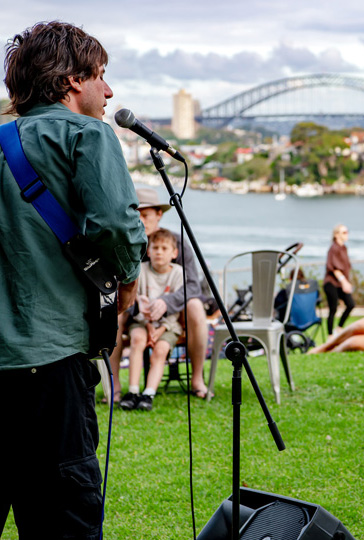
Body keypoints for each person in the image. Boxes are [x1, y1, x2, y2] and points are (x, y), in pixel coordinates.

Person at [0, 22, 146, 540]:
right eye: (100, 76)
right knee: (63, 521)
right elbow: (115, 226)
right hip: (50, 366)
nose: (108, 91)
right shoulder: (88, 134)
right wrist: (128, 278)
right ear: (68, 81)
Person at [109, 188, 211, 399]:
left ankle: (197, 378)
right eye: (135, 215)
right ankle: (115, 385)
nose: (140, 220)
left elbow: (193, 285)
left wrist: (166, 302)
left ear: (159, 215)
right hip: (135, 313)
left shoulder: (176, 243)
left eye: (145, 215)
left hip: (173, 315)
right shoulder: (124, 244)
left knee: (195, 306)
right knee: (114, 312)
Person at [120, 229, 184, 411]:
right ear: (148, 251)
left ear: (174, 253)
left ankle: (148, 394)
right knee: (137, 339)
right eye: (155, 248)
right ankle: (132, 391)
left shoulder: (178, 273)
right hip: (142, 322)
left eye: (164, 248)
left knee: (161, 349)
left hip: (168, 326)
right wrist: (148, 325)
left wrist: (161, 329)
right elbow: (136, 302)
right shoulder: (142, 270)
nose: (159, 252)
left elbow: (177, 308)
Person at [323, 224, 355, 336]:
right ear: (337, 234)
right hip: (331, 283)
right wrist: (344, 282)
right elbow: (334, 268)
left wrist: (346, 282)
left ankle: (339, 328)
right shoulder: (334, 248)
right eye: (344, 232)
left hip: (341, 283)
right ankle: (330, 335)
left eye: (347, 232)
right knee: (333, 309)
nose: (347, 234)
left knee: (350, 304)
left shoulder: (344, 248)